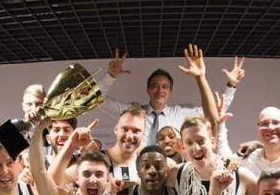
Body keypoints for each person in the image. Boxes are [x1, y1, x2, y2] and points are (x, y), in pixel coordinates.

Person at [97, 48, 239, 146]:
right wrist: (111, 76)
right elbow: (99, 101)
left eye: (165, 87)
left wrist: (231, 85)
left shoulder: (182, 114)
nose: (160, 90)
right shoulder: (132, 113)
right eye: (155, 86)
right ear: (148, 89)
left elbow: (215, 112)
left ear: (170, 91)